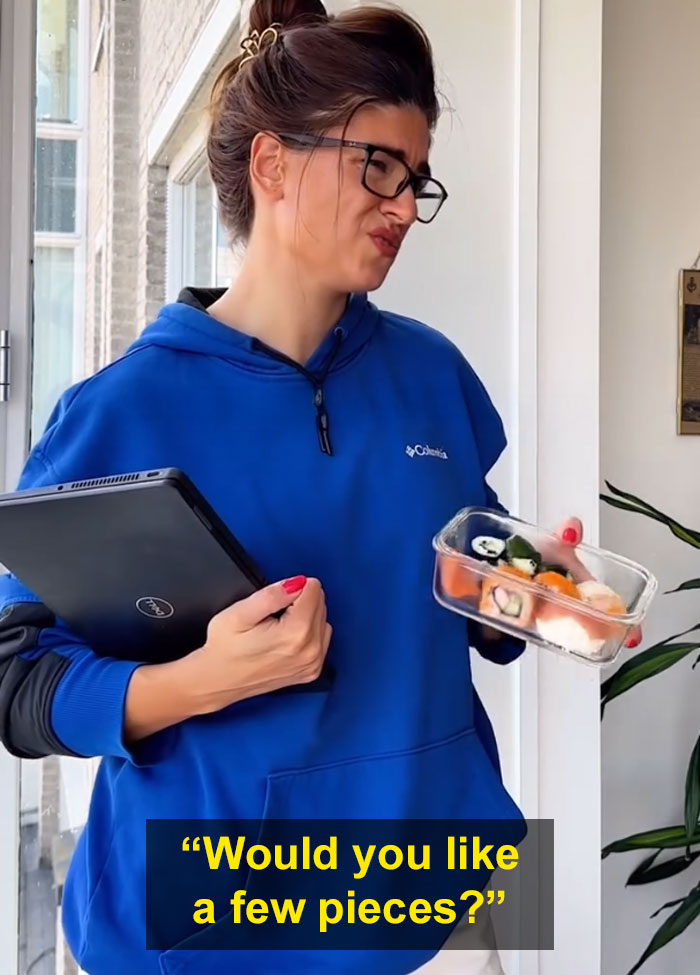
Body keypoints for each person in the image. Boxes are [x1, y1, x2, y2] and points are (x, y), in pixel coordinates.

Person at [0, 2, 635, 972]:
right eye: (377, 165)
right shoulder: (121, 412)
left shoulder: (433, 376)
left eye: (415, 179)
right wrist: (198, 680)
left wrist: (541, 595)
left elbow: (458, 584)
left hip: (431, 909)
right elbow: (16, 681)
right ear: (271, 165)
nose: (402, 206)